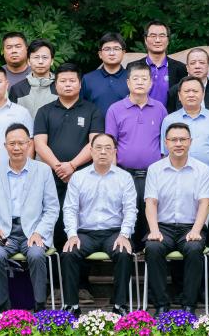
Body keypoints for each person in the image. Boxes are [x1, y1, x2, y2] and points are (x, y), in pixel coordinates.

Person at [59, 133, 137, 316]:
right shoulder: (78, 177)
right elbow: (70, 209)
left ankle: (119, 305)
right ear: (91, 151)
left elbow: (130, 210)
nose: (103, 152)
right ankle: (72, 306)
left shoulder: (124, 178)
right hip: (85, 233)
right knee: (69, 253)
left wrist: (124, 235)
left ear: (114, 152)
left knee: (123, 252)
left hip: (114, 232)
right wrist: (72, 235)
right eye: (98, 148)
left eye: (108, 148)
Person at [0, 123, 59, 312]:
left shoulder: (43, 170)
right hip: (5, 232)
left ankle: (40, 306)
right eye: (12, 144)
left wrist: (39, 232)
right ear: (5, 146)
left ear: (29, 144)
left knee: (36, 255)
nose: (16, 148)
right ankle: (3, 306)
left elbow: (52, 209)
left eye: (21, 143)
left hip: (33, 230)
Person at [33, 64, 105, 253]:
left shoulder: (92, 110)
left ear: (80, 84)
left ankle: (79, 268)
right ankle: (54, 266)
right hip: (51, 177)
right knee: (54, 219)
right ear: (55, 85)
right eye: (63, 81)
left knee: (82, 220)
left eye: (72, 81)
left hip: (83, 176)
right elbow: (39, 144)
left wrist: (72, 166)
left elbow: (95, 143)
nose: (67, 84)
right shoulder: (45, 111)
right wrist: (59, 167)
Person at [143, 123, 209, 314]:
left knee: (194, 248)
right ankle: (161, 305)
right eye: (174, 140)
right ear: (166, 143)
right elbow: (151, 202)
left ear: (190, 142)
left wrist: (196, 230)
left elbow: (205, 202)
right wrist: (154, 230)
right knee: (153, 248)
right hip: (163, 227)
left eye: (183, 139)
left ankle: (189, 306)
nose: (178, 143)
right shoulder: (155, 169)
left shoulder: (201, 169)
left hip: (190, 226)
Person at [161, 76, 209, 252]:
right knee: (181, 220)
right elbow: (164, 153)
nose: (191, 94)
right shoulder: (169, 120)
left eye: (195, 91)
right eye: (187, 91)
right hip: (178, 176)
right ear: (179, 95)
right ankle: (184, 264)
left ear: (203, 94)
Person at [106, 60, 167, 243]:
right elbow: (110, 146)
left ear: (151, 83)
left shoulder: (159, 109)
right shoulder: (115, 109)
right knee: (127, 214)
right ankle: (128, 249)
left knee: (152, 217)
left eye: (144, 78)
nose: (140, 82)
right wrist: (113, 174)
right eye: (136, 78)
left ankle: (148, 250)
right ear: (128, 83)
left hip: (153, 175)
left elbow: (165, 144)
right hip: (125, 174)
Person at [132, 21, 188, 111]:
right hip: (140, 117)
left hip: (170, 118)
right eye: (153, 36)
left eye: (162, 36)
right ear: (145, 40)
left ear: (168, 40)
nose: (157, 40)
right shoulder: (133, 67)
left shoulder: (180, 68)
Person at [166, 48, 209, 115]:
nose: (197, 66)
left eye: (202, 63)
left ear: (208, 66)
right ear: (187, 68)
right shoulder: (175, 91)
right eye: (193, 63)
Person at [82, 33, 130, 115]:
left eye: (116, 49)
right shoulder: (88, 79)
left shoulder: (132, 78)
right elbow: (81, 108)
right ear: (100, 54)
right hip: (95, 123)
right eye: (107, 49)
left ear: (123, 53)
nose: (112, 53)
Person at [11, 39, 59, 118]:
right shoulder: (17, 89)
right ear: (28, 61)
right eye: (36, 57)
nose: (40, 61)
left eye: (45, 57)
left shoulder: (61, 88)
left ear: (52, 61)